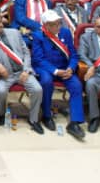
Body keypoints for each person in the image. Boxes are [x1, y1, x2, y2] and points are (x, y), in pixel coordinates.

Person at [0, 14, 44, 131]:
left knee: (37, 89)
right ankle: (1, 114)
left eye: (0, 22)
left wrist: (26, 70)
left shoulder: (14, 32)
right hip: (6, 74)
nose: (0, 24)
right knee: (0, 92)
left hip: (22, 71)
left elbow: (26, 52)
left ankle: (33, 119)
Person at [30, 11, 85, 140]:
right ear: (46, 25)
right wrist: (55, 71)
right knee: (46, 82)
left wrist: (71, 68)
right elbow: (38, 59)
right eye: (54, 24)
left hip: (64, 68)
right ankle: (47, 115)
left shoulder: (65, 33)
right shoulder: (38, 35)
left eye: (59, 23)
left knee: (76, 85)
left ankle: (75, 122)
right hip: (45, 68)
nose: (58, 26)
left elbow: (73, 54)